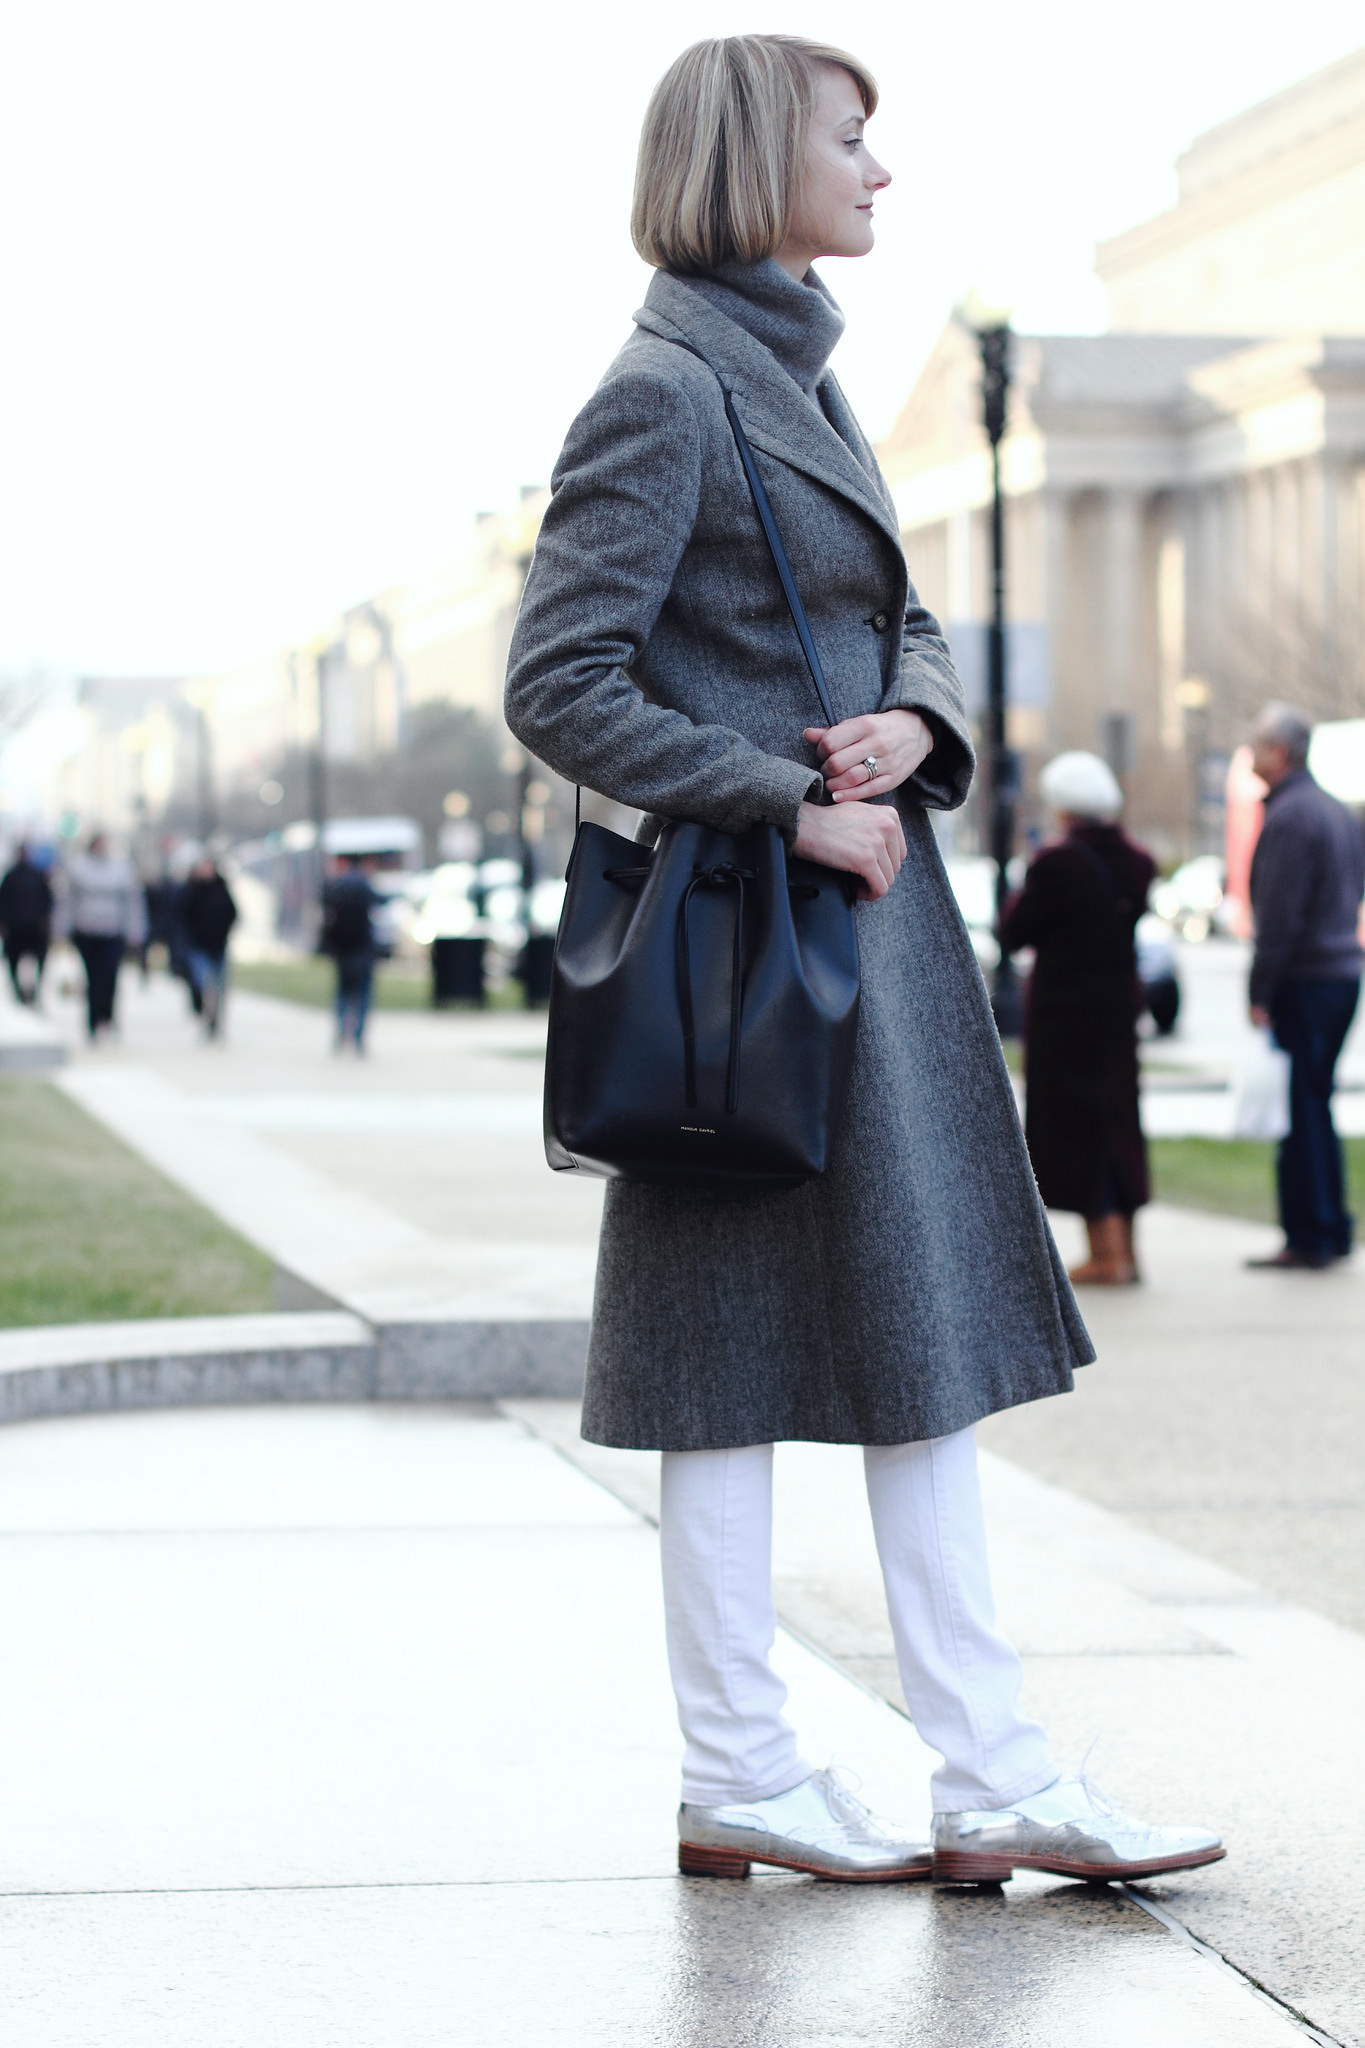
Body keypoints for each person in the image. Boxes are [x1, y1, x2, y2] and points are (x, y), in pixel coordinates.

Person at [505, 36, 1222, 1886]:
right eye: (853, 142)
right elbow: (558, 683)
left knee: (919, 1345)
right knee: (723, 1363)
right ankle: (763, 1760)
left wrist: (915, 722)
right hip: (752, 954)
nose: (882, 175)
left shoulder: (798, 377)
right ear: (759, 160)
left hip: (861, 936)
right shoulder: (665, 389)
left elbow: (900, 616)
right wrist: (777, 793)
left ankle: (979, 1771)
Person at [1000, 753, 1156, 1286]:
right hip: (1118, 1014)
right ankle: (1128, 1252)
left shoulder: (1057, 865)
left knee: (1081, 1130)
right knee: (1118, 1123)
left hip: (1067, 1020)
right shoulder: (1137, 860)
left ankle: (1105, 1255)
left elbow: (1015, 929)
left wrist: (1027, 869)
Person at [1245, 703, 1365, 1270]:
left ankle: (1312, 1234)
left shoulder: (1292, 818)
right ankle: (1331, 1227)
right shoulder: (1336, 811)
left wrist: (1260, 991)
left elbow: (1279, 919)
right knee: (1316, 1103)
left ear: (1281, 752)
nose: (1250, 752)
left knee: (1303, 1109)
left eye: (1258, 743)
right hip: (1341, 974)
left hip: (1307, 979)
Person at [62, 834, 147, 1040]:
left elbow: (133, 902)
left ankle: (108, 1017)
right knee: (92, 978)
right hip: (87, 930)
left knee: (110, 976)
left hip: (113, 931)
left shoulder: (121, 868)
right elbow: (67, 901)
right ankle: (92, 1021)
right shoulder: (78, 868)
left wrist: (136, 931)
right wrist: (63, 928)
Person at [320, 854, 382, 1054]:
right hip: (362, 948)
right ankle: (358, 1036)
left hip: (343, 950)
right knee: (363, 995)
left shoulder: (337, 887)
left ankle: (341, 1033)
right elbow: (379, 903)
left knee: (343, 994)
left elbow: (326, 911)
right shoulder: (364, 886)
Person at [180, 855, 238, 1039]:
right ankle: (208, 1016)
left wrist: (224, 931)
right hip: (199, 946)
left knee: (219, 987)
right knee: (205, 984)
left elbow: (233, 913)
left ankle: (215, 1021)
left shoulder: (221, 889)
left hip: (218, 946)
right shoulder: (193, 890)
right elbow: (183, 916)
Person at [0, 843, 54, 1005]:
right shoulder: (11, 876)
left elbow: (48, 901)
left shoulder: (37, 876)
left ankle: (34, 990)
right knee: (14, 961)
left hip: (34, 927)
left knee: (37, 960)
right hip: (16, 927)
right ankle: (18, 991)